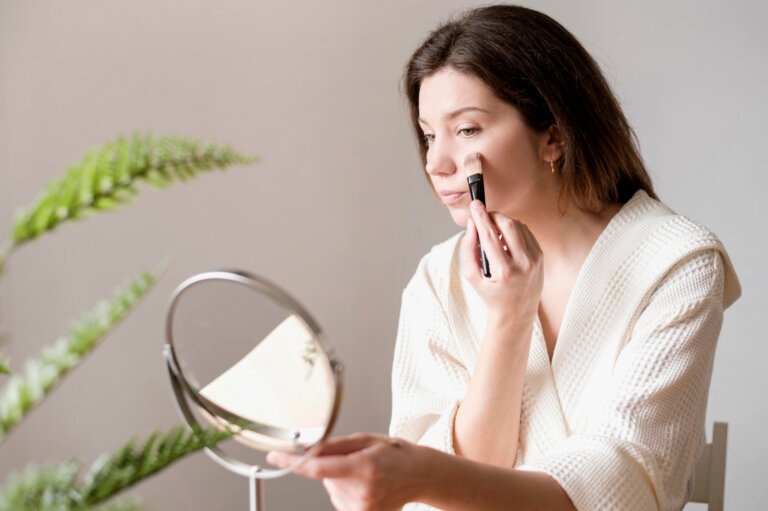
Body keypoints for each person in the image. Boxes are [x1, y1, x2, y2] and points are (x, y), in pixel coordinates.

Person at [268, 5, 741, 510]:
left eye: (467, 130)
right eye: (429, 135)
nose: (435, 162)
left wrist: (424, 471)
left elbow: (625, 482)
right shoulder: (437, 280)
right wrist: (509, 318)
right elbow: (443, 495)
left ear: (554, 135)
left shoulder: (675, 262)